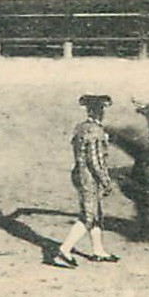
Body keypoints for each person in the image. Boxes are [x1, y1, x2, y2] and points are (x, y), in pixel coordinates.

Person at [52, 95, 119, 268]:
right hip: (89, 177)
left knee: (95, 213)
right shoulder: (96, 131)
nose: (102, 113)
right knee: (88, 216)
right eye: (101, 110)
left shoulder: (80, 127)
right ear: (98, 111)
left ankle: (98, 250)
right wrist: (105, 180)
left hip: (79, 173)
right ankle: (64, 251)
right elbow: (95, 160)